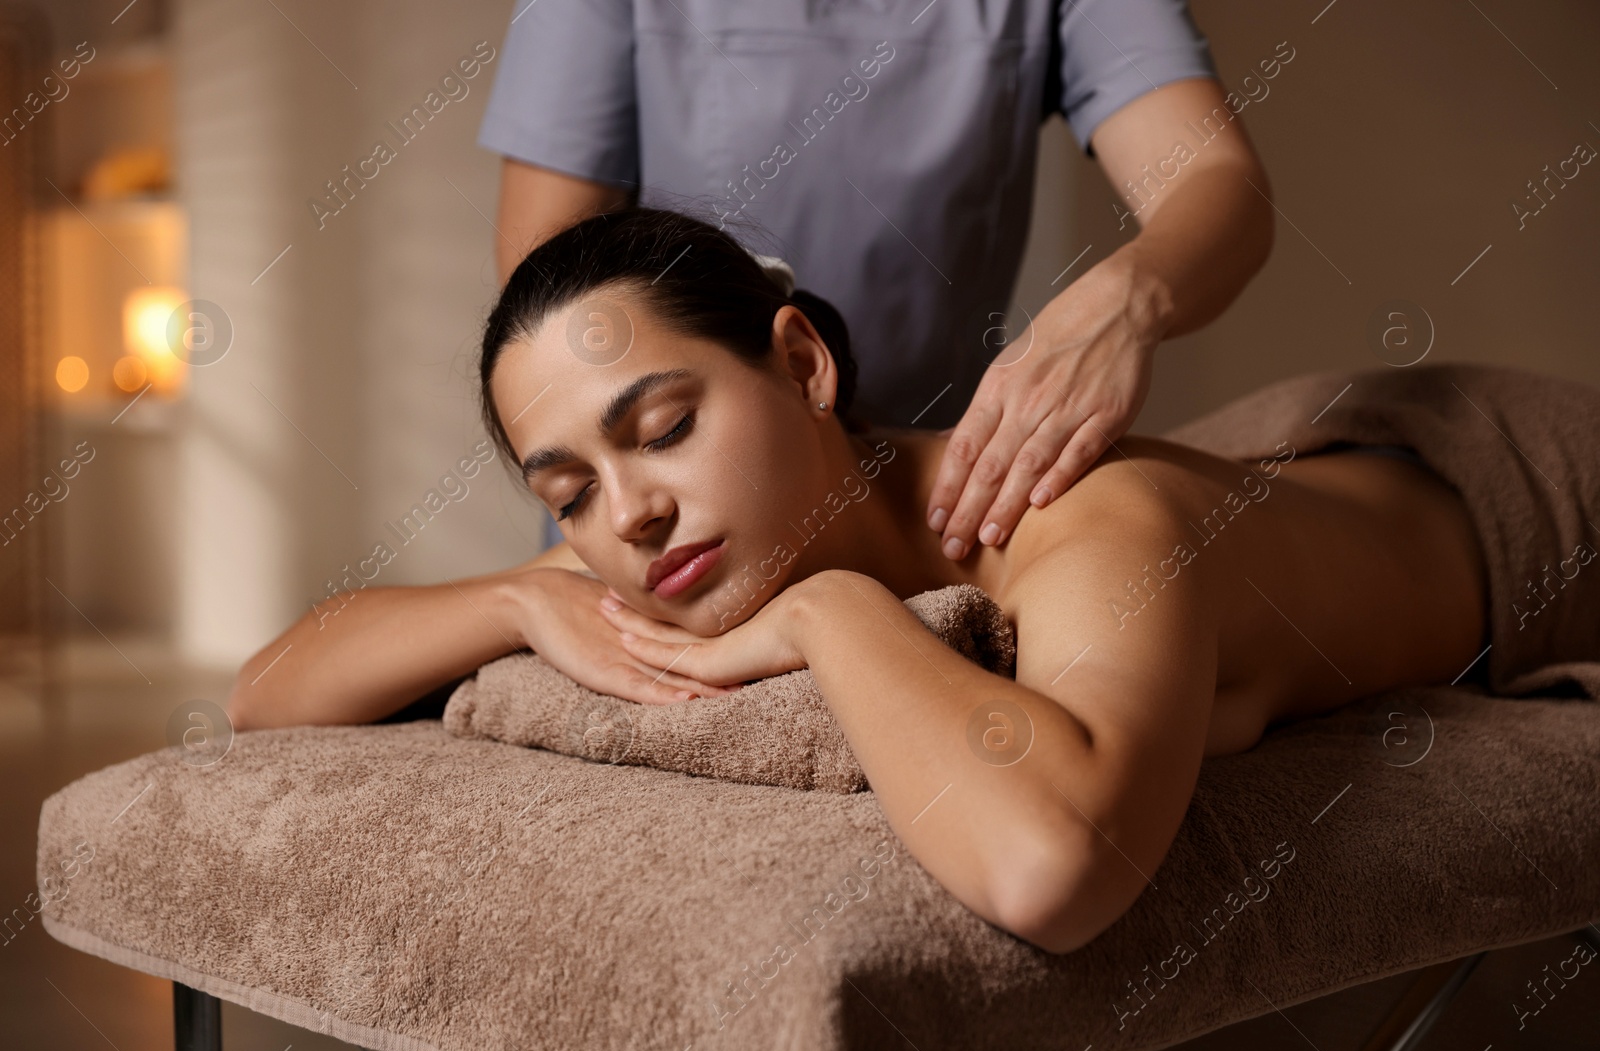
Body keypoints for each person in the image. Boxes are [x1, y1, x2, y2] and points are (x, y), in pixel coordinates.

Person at [228, 208, 1488, 955]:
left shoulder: (1089, 521)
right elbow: (270, 686)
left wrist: (834, 615)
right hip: (1279, 452)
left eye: (665, 424)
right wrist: (514, 597)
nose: (629, 511)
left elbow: (1055, 867)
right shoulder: (656, 527)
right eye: (566, 493)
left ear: (801, 363)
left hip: (1491, 477)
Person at [478, 0, 1275, 561]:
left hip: (929, 518)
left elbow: (1216, 182)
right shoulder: (635, 519)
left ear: (805, 363)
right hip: (684, 554)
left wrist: (1126, 303)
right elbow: (544, 285)